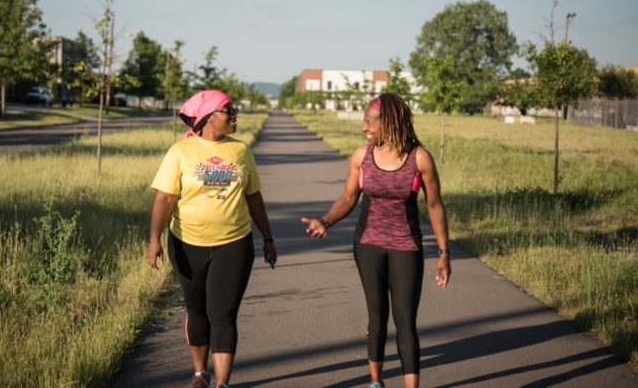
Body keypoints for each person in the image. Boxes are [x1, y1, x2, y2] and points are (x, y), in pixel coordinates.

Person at [301, 93, 451, 388]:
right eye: (364, 122)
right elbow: (348, 198)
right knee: (377, 316)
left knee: (405, 321)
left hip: (406, 246)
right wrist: (325, 221)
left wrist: (444, 252)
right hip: (368, 245)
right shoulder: (362, 156)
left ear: (390, 122)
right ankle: (375, 382)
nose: (364, 128)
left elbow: (435, 206)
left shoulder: (419, 157)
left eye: (370, 122)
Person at [147, 89, 277, 388]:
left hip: (234, 243)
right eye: (228, 110)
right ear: (207, 117)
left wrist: (268, 238)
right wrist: (154, 241)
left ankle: (222, 384)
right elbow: (164, 198)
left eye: (234, 109)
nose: (234, 114)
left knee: (223, 314)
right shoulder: (180, 152)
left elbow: (254, 197)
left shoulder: (241, 150)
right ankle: (199, 373)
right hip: (186, 244)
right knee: (197, 312)